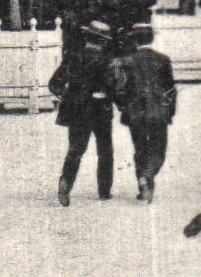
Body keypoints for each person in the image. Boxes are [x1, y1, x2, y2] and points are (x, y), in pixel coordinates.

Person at [50, 21, 117, 206]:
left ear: (87, 37)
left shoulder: (72, 57)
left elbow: (54, 84)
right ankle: (104, 191)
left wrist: (68, 96)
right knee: (105, 151)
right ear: (103, 41)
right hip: (101, 110)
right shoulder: (107, 61)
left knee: (75, 150)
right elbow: (113, 87)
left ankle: (65, 182)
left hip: (77, 109)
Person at [111, 23, 176, 204]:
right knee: (158, 149)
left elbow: (119, 89)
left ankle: (143, 183)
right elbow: (171, 89)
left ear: (135, 40)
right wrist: (170, 111)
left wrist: (123, 107)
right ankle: (148, 176)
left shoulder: (126, 62)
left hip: (135, 113)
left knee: (140, 149)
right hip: (158, 111)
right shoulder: (163, 60)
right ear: (152, 38)